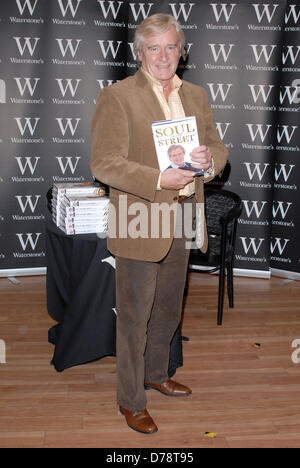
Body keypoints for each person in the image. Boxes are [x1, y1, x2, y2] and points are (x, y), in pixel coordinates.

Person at [90, 13, 228, 434]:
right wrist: (157, 179)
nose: (164, 56)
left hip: (185, 215)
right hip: (139, 217)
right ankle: (131, 400)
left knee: (169, 309)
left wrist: (208, 163)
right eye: (154, 48)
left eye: (171, 46)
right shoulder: (117, 96)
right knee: (133, 317)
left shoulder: (198, 95)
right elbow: (104, 163)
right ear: (139, 53)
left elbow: (218, 148)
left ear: (181, 51)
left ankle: (155, 373)